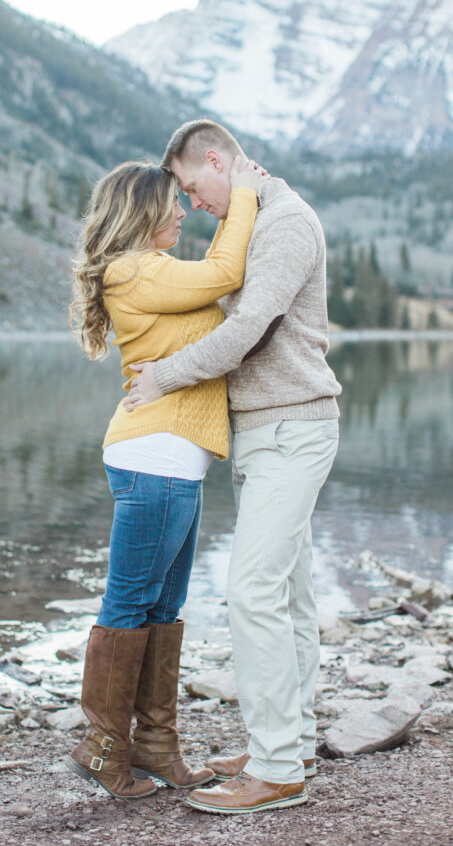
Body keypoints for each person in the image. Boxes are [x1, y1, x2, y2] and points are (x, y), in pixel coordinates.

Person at [126, 119, 342, 815]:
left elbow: (247, 329)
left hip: (291, 429)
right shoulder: (256, 215)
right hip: (269, 431)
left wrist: (165, 378)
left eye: (192, 187)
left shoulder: (283, 224)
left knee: (250, 591)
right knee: (289, 595)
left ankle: (277, 769)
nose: (191, 205)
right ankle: (294, 743)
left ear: (216, 160)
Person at [66, 156, 264, 800]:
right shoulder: (133, 269)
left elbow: (213, 286)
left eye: (186, 202)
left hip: (174, 461)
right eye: (172, 203)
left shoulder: (156, 273)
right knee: (128, 606)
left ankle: (153, 745)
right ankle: (102, 747)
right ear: (142, 212)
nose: (183, 211)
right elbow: (225, 271)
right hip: (155, 458)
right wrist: (244, 195)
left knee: (162, 608)